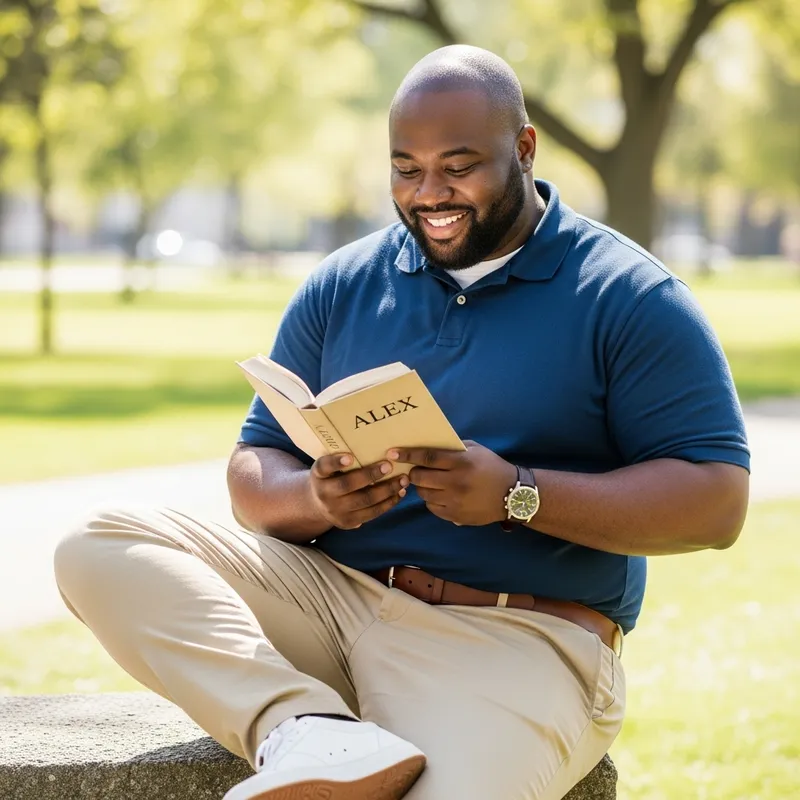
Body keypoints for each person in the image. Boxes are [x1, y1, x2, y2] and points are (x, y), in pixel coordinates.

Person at [54, 45, 751, 800]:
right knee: (99, 543)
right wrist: (315, 500)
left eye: (458, 166)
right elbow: (252, 467)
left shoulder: (630, 296)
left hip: (519, 639)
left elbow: (716, 502)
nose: (430, 193)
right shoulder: (344, 283)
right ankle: (302, 729)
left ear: (523, 149)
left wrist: (519, 494)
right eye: (406, 169)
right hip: (329, 599)